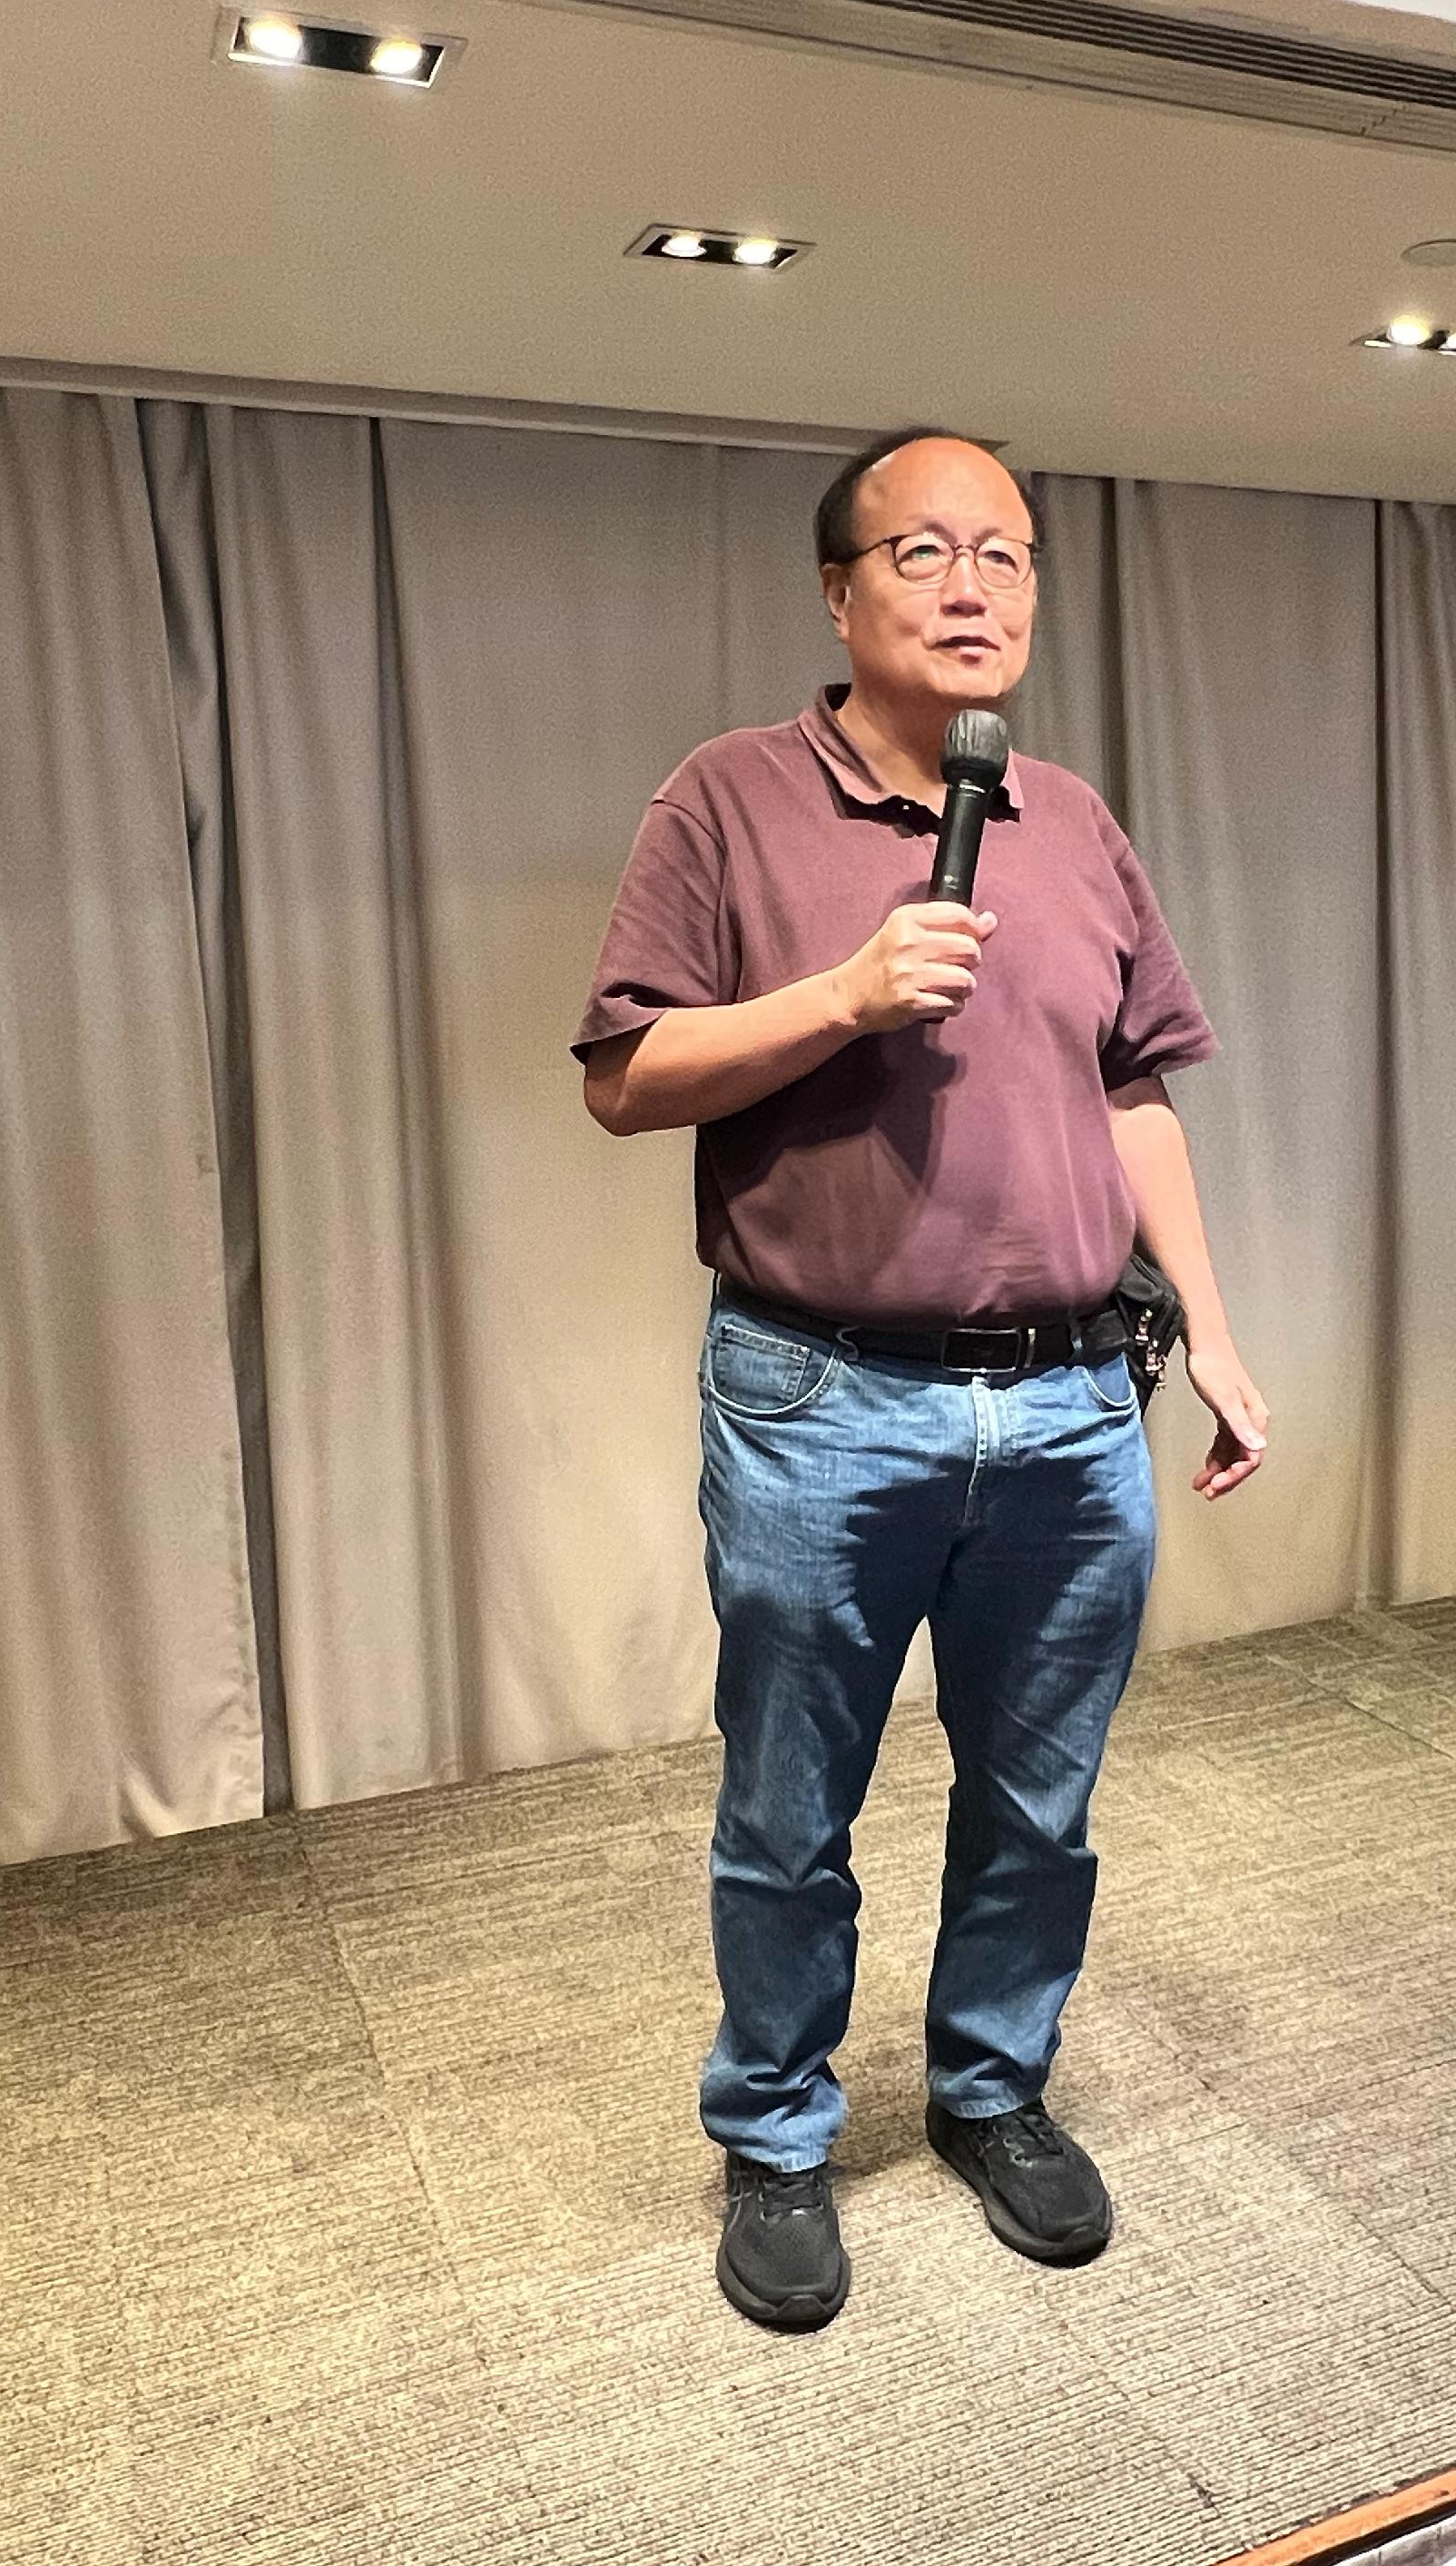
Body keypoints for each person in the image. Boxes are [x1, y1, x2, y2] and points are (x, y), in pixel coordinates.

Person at [573, 428, 1272, 2334]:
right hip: (823, 1397)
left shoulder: (1075, 818)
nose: (974, 589)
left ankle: (991, 2090)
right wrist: (845, 996)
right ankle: (775, 2130)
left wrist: (1211, 1330)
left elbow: (1133, 1090)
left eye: (1007, 556)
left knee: (1042, 1797)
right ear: (838, 591)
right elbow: (624, 1077)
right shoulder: (727, 800)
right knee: (789, 1806)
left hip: (1071, 1401)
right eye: (924, 553)